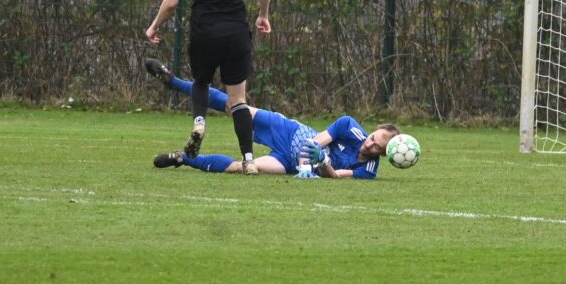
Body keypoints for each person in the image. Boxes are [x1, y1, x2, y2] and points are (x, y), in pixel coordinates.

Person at [145, 0, 272, 176]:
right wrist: (263, 15)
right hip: (236, 32)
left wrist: (155, 25)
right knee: (238, 99)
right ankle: (249, 159)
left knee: (201, 81)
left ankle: (199, 122)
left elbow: (171, 1)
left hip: (204, 30)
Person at [145, 59, 400, 179]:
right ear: (374, 131)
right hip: (290, 133)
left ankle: (184, 158)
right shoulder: (351, 127)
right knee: (234, 105)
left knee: (242, 167)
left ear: (386, 154)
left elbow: (335, 176)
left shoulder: (368, 171)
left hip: (289, 164)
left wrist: (323, 165)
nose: (370, 144)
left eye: (377, 147)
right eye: (373, 137)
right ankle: (173, 82)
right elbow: (316, 141)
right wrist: (313, 156)